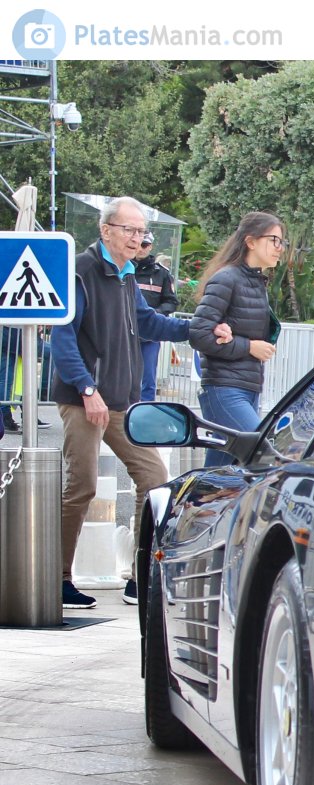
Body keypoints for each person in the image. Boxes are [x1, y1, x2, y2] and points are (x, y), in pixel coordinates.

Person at [50, 196, 230, 609]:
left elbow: (151, 322)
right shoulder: (81, 270)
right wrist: (86, 389)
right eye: (129, 229)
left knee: (154, 479)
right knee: (82, 486)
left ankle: (140, 575)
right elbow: (62, 336)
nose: (137, 238)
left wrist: (200, 330)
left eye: (141, 231)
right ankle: (56, 577)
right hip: (84, 399)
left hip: (121, 400)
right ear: (106, 230)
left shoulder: (127, 276)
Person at [189, 212, 285, 467]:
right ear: (250, 241)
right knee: (262, 453)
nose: (280, 248)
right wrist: (249, 347)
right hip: (224, 389)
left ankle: (197, 506)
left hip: (247, 389)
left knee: (221, 472)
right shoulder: (227, 278)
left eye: (281, 242)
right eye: (274, 240)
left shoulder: (255, 282)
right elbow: (199, 333)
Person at [133, 231, 178, 402]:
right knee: (121, 375)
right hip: (125, 330)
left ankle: (145, 413)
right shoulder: (123, 268)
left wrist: (155, 314)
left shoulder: (162, 273)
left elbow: (171, 302)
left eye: (145, 245)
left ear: (150, 246)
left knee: (149, 378)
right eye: (138, 244)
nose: (141, 249)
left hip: (150, 333)